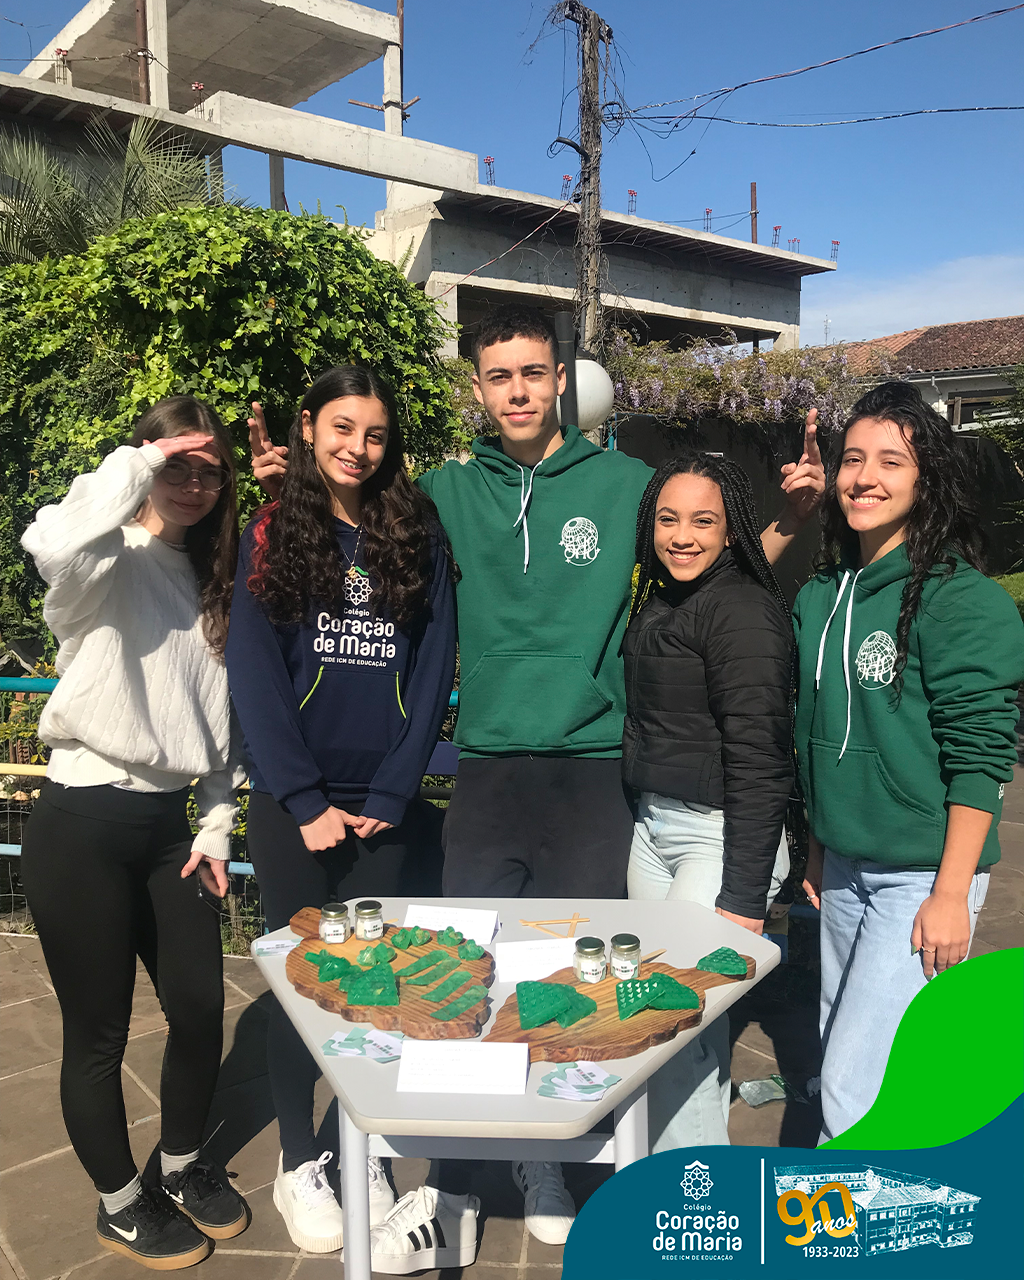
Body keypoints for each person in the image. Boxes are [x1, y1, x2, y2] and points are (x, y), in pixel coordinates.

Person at [250, 305, 825, 1247]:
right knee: (472, 980)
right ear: (478, 388)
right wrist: (292, 487)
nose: (516, 391)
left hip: (593, 775)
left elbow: (705, 560)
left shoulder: (627, 486)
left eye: (531, 373)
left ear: (560, 379)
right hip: (486, 773)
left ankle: (549, 1159)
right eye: (498, 376)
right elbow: (349, 518)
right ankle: (459, 1181)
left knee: (571, 984)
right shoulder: (441, 492)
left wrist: (791, 525)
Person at [225, 366, 458, 1258]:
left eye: (374, 434)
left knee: (375, 989)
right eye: (342, 428)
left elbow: (433, 667)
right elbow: (254, 675)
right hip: (298, 810)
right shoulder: (272, 532)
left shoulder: (416, 534)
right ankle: (298, 1160)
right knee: (301, 990)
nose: (357, 448)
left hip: (381, 810)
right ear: (309, 427)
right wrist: (302, 798)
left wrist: (395, 790)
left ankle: (362, 1145)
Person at [19, 397, 249, 1271]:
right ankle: (120, 1202)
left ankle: (181, 1165)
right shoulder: (103, 556)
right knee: (99, 1034)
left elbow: (222, 723)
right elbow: (51, 544)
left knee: (199, 1007)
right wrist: (137, 459)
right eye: (173, 466)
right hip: (81, 822)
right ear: (145, 463)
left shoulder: (215, 580)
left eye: (207, 470)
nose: (191, 484)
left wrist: (219, 823)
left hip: (168, 832)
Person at [795, 381, 1023, 1142]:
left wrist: (952, 892)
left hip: (923, 876)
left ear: (928, 480)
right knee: (842, 1050)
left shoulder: (964, 602)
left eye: (891, 462)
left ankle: (847, 1214)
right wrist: (818, 843)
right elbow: (813, 732)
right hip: (843, 866)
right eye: (853, 459)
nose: (865, 477)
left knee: (856, 1086)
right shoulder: (822, 595)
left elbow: (981, 756)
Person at [623, 451, 794, 1151]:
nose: (682, 536)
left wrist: (746, 895)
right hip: (655, 830)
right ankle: (680, 1179)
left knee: (668, 1027)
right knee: (673, 1023)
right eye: (668, 519)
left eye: (702, 521)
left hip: (718, 839)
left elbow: (761, 757)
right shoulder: (664, 595)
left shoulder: (742, 610)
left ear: (732, 530)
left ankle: (690, 1199)